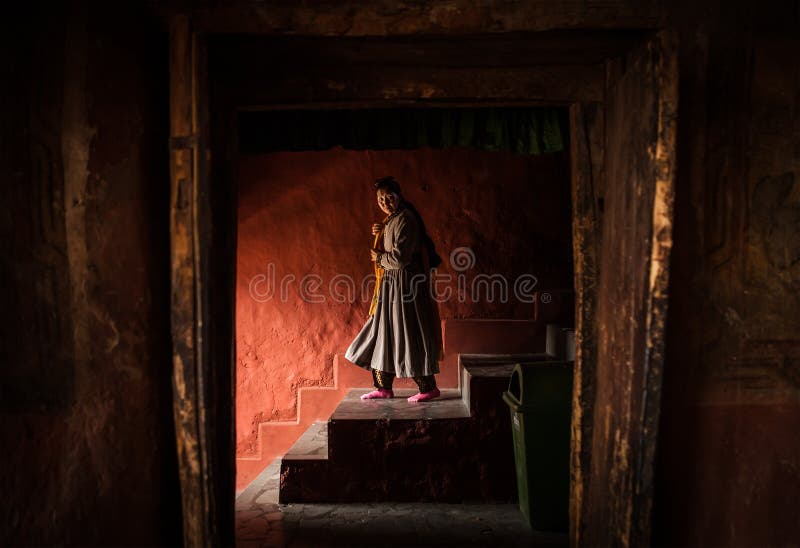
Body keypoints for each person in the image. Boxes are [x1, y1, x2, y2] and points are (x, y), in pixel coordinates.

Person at [344, 176, 444, 402]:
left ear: (399, 196)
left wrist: (379, 258)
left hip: (405, 287)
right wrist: (382, 230)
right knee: (384, 332)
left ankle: (428, 387)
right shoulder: (393, 219)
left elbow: (400, 259)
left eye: (390, 197)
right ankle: (383, 387)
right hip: (391, 287)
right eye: (381, 199)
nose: (385, 202)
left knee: (407, 333)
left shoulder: (406, 219)